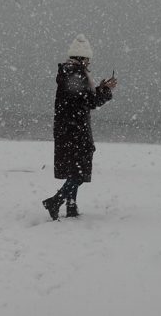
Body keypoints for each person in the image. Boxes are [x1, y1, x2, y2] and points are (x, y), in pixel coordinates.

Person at [43, 34, 117, 220]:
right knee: (79, 171)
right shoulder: (76, 74)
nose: (89, 64)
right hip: (75, 130)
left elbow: (82, 99)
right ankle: (57, 200)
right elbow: (90, 101)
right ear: (82, 58)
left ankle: (71, 207)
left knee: (74, 169)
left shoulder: (69, 72)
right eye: (88, 60)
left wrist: (99, 89)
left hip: (67, 129)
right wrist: (106, 90)